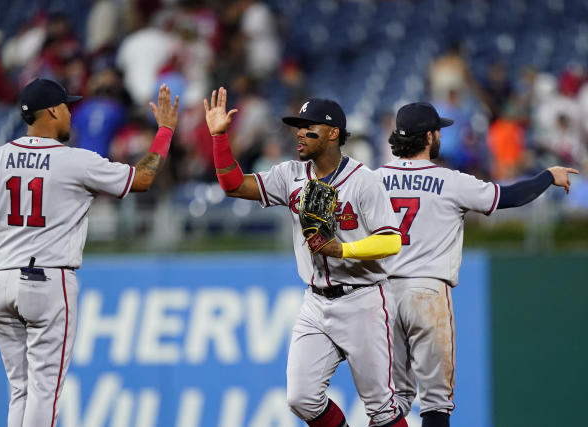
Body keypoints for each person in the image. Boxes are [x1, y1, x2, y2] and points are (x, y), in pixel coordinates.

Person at [0, 78, 179, 427]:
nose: (71, 114)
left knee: (20, 389)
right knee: (44, 390)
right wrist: (164, 131)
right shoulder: (74, 161)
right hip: (45, 279)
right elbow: (143, 179)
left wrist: (5, 206)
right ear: (53, 111)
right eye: (67, 107)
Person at [204, 87, 408, 427]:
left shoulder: (363, 181)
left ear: (332, 133)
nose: (299, 132)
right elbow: (233, 185)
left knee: (381, 409)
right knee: (301, 398)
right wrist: (219, 137)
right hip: (315, 303)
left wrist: (342, 249)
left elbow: (391, 241)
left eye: (308, 126)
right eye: (297, 126)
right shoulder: (290, 175)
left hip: (363, 300)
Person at [372, 102, 578, 427]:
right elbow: (509, 197)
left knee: (392, 402)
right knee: (436, 401)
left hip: (382, 295)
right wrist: (547, 176)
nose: (440, 135)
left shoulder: (372, 180)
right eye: (437, 130)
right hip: (427, 291)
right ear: (428, 137)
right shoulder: (450, 181)